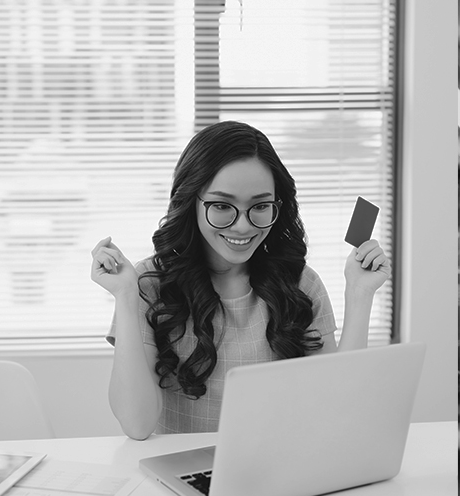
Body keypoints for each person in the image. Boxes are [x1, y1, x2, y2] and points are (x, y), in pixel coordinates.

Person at [91, 121, 391, 440]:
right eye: (222, 206)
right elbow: (137, 426)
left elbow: (336, 408)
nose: (243, 226)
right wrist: (125, 296)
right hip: (182, 472)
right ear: (190, 201)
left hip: (279, 471)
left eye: (260, 206)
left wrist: (360, 296)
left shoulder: (301, 284)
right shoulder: (149, 284)